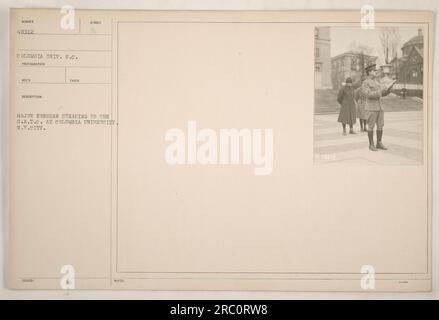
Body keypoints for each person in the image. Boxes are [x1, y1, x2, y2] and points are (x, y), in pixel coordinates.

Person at [361, 64, 395, 151]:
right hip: (371, 107)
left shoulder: (377, 82)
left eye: (375, 70)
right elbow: (368, 94)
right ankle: (371, 144)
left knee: (380, 126)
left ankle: (379, 143)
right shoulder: (365, 82)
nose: (375, 72)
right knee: (371, 126)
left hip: (380, 107)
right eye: (373, 70)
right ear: (369, 72)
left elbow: (382, 94)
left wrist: (389, 90)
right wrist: (379, 92)